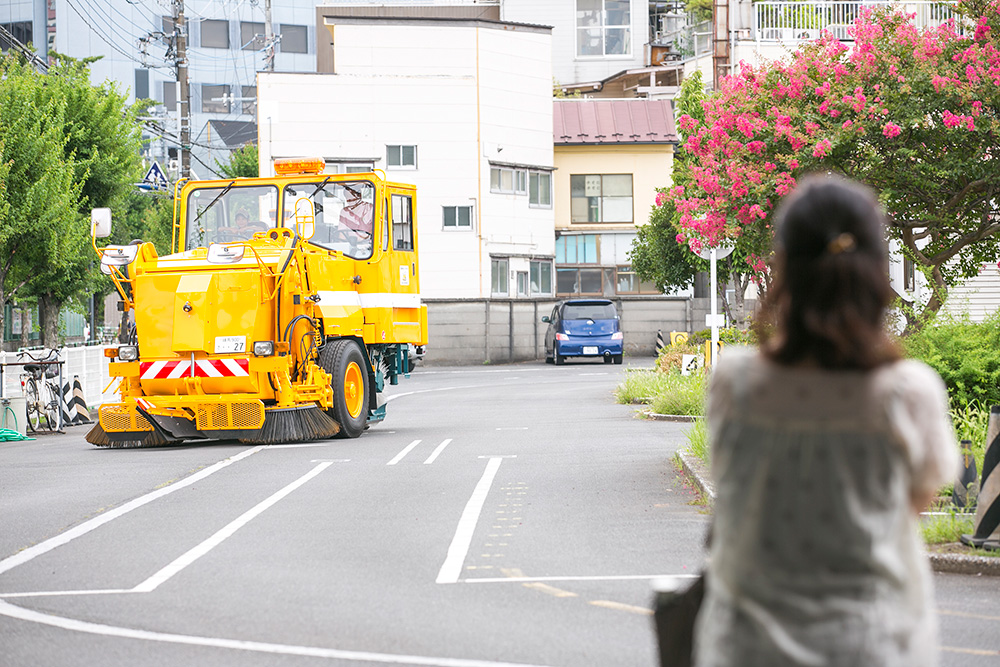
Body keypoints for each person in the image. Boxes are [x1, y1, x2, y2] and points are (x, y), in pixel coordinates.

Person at [693, 175, 959, 667]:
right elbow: (914, 502)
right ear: (876, 270)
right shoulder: (908, 393)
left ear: (784, 268)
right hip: (873, 644)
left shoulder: (736, 383)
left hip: (747, 647)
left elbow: (733, 484)